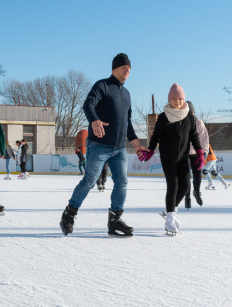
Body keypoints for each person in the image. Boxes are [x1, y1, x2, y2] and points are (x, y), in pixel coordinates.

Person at [59, 53, 148, 237]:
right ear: (114, 68)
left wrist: (136, 143)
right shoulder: (103, 85)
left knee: (122, 183)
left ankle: (115, 220)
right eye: (124, 67)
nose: (127, 71)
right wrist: (94, 121)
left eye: (129, 68)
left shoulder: (127, 94)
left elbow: (127, 123)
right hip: (99, 145)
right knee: (90, 181)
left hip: (119, 149)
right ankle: (69, 214)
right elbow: (88, 105)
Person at [138, 84, 203, 235]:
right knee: (173, 185)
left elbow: (193, 135)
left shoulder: (189, 116)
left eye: (180, 99)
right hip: (168, 157)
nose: (178, 101)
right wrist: (151, 149)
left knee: (185, 186)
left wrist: (199, 151)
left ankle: (168, 210)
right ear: (169, 100)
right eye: (174, 99)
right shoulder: (163, 116)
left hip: (183, 156)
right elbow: (156, 136)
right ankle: (170, 219)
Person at [183, 102, 209, 209]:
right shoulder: (181, 123)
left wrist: (205, 152)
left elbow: (204, 139)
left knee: (198, 174)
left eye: (192, 113)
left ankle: (197, 192)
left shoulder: (198, 122)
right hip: (184, 154)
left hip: (196, 153)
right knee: (186, 176)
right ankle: (187, 196)